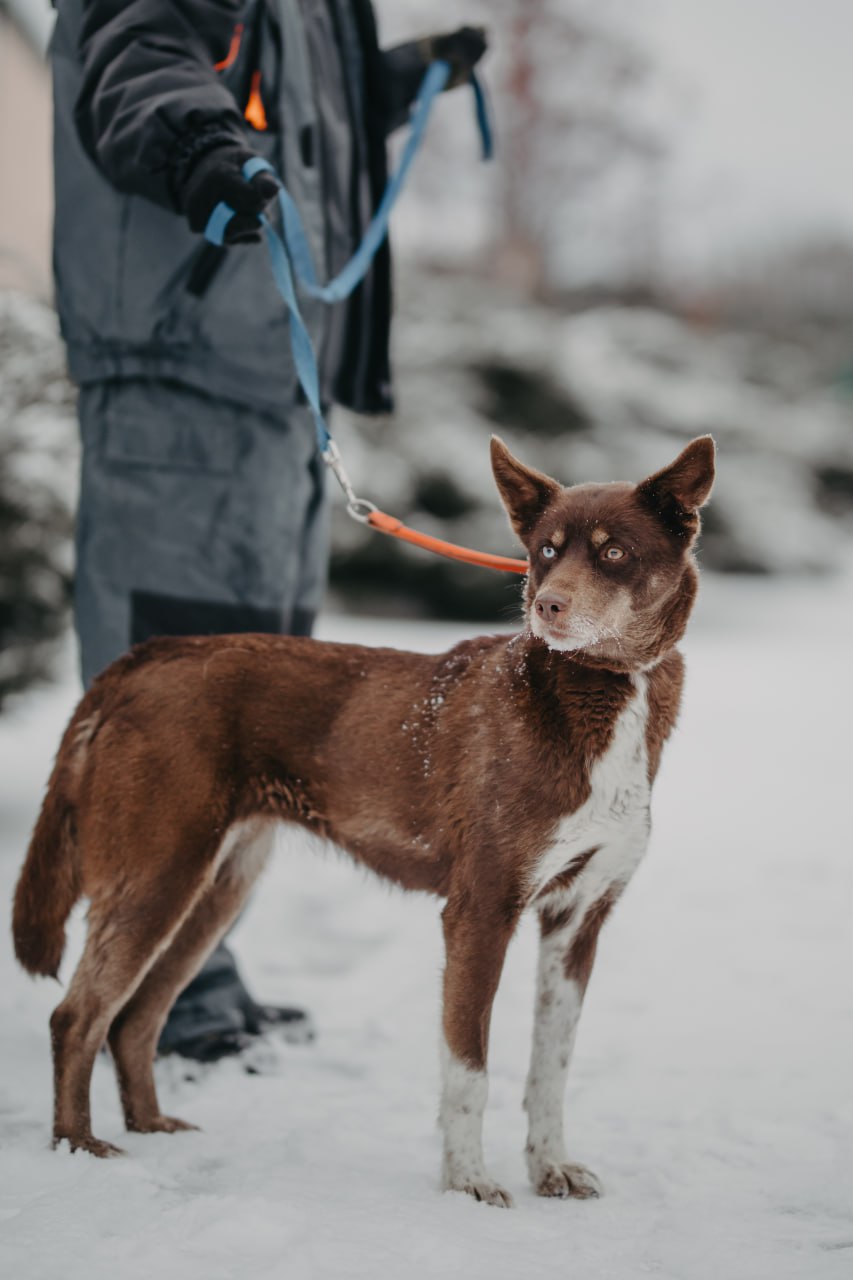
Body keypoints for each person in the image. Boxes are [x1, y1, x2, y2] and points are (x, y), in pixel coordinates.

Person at [51, 0, 487, 1062]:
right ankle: (144, 983)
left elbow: (295, 119)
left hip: (270, 372)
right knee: (178, 685)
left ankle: (192, 966)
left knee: (256, 699)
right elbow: (138, 49)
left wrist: (399, 77)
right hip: (180, 355)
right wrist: (200, 149)